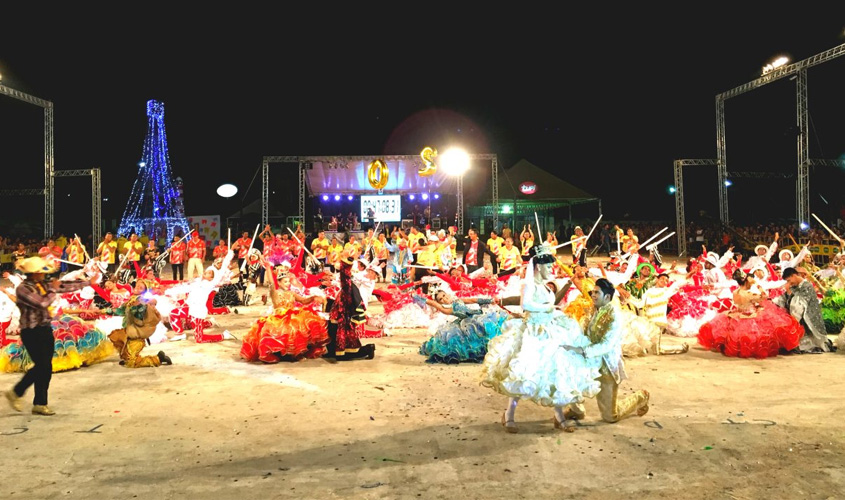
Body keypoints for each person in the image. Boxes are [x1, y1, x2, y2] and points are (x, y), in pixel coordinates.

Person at [480, 241, 603, 433]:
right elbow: (526, 305)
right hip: (533, 333)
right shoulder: (529, 284)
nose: (551, 269)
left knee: (556, 374)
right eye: (548, 266)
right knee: (523, 374)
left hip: (551, 331)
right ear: (538, 266)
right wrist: (548, 307)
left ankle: (559, 416)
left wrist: (556, 312)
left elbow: (550, 304)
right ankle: (509, 415)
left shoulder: (545, 287)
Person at [4, 256, 95, 416]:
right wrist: (53, 289)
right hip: (31, 331)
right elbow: (42, 303)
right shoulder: (23, 288)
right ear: (33, 273)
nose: (43, 274)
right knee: (42, 365)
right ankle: (18, 392)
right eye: (40, 272)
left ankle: (39, 403)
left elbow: (65, 286)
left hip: (45, 329)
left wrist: (89, 282)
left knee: (46, 367)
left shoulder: (43, 284)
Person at [562, 278, 651, 425]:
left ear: (607, 297)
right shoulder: (594, 308)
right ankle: (576, 410)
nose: (593, 295)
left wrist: (582, 350)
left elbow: (606, 345)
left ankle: (641, 397)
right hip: (588, 361)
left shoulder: (614, 316)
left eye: (597, 293)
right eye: (593, 292)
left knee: (610, 416)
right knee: (569, 375)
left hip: (606, 366)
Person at [698, 269, 803, 358]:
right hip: (750, 316)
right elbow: (764, 296)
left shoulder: (735, 292)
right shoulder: (749, 293)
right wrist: (756, 284)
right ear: (747, 281)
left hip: (738, 313)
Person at [240, 263, 328, 363]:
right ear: (279, 283)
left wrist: (313, 298)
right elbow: (271, 283)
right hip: (278, 318)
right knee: (284, 329)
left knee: (305, 323)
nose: (288, 284)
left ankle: (296, 353)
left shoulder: (291, 293)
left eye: (288, 282)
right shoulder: (275, 292)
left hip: (292, 316)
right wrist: (268, 268)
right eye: (285, 282)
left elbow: (303, 301)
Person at [418, 287, 508, 363]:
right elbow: (433, 303)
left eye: (444, 295)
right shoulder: (447, 309)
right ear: (440, 303)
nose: (444, 299)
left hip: (476, 316)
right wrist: (419, 298)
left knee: (491, 325)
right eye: (441, 299)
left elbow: (473, 300)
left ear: (447, 294)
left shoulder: (458, 300)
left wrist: (489, 300)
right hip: (467, 325)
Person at [101, 279, 172, 368]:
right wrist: (102, 311)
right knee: (120, 343)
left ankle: (159, 358)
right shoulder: (132, 299)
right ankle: (128, 358)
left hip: (137, 334)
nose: (137, 288)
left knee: (133, 363)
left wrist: (138, 305)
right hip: (129, 331)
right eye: (137, 286)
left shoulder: (142, 301)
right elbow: (120, 311)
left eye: (141, 288)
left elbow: (139, 314)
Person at [324, 249, 376, 362]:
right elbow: (341, 277)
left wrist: (347, 262)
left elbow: (344, 275)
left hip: (344, 316)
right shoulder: (349, 284)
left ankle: (368, 349)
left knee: (344, 351)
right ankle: (332, 351)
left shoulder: (350, 285)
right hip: (339, 312)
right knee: (332, 330)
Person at [773, 267, 835, 353]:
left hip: (809, 316)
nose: (789, 283)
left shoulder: (807, 286)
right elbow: (785, 298)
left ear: (794, 275)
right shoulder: (794, 286)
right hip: (800, 317)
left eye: (789, 280)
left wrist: (794, 319)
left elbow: (799, 303)